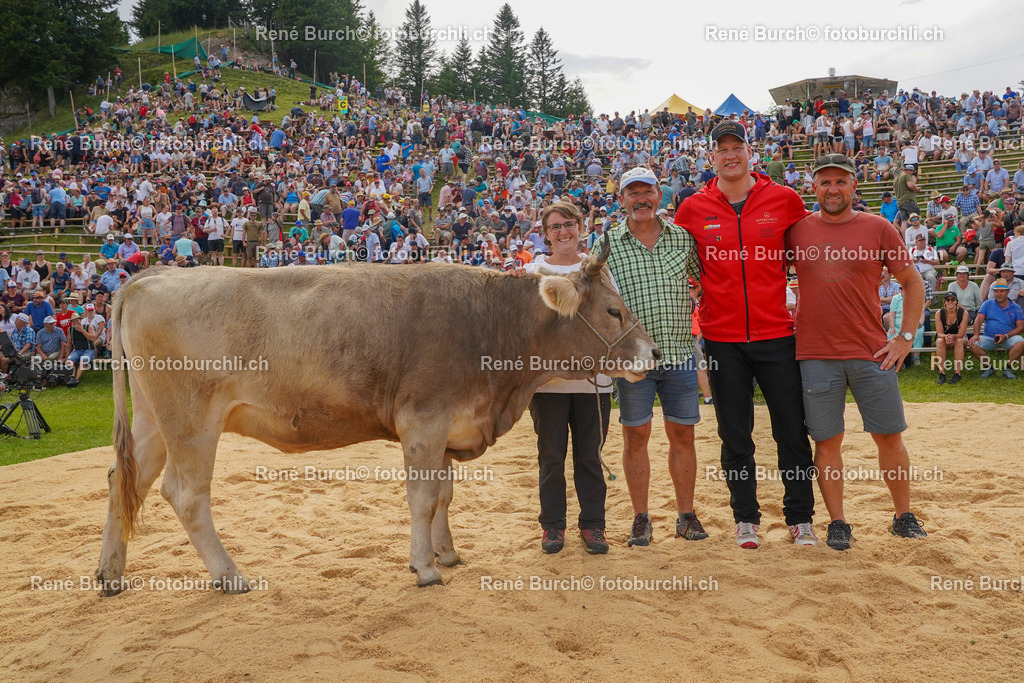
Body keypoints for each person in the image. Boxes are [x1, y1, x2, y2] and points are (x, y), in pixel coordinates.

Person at [675, 120, 816, 549]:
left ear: (749, 152)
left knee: (791, 430)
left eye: (738, 147)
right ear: (711, 156)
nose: (730, 154)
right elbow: (680, 268)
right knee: (734, 434)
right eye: (722, 149)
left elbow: (812, 253)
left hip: (777, 334)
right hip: (722, 339)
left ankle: (801, 518)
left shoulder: (784, 199)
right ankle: (746, 519)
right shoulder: (692, 208)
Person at [786, 153, 928, 551]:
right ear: (813, 187)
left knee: (889, 437)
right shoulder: (795, 231)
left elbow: (912, 284)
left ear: (853, 186)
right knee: (827, 442)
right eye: (825, 182)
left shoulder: (878, 227)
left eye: (841, 182)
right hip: (815, 353)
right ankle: (838, 522)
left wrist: (904, 336)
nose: (833, 189)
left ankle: (903, 516)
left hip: (871, 351)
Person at [603, 166, 708, 547]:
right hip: (633, 362)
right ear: (622, 200)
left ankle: (685, 516)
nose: (641, 199)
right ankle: (641, 518)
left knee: (683, 435)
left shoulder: (682, 239)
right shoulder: (608, 243)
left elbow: (705, 281)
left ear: (659, 196)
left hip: (679, 352)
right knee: (636, 437)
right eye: (633, 193)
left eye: (647, 191)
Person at [514, 202, 614, 554]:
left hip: (594, 382)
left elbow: (609, 317)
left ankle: (593, 526)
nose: (563, 232)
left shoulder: (598, 270)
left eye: (569, 224)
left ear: (580, 227)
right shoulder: (533, 271)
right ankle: (553, 526)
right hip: (549, 385)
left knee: (590, 457)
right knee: (551, 457)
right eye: (555, 227)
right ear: (545, 234)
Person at [969, 279, 1024, 379]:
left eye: (1002, 291)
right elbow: (978, 320)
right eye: (996, 291)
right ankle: (989, 368)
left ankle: (1008, 368)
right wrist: (976, 335)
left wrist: (1006, 336)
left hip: (1009, 337)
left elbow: (1021, 327)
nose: (998, 294)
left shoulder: (1016, 307)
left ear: (1008, 292)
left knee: (1020, 342)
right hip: (989, 337)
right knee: (973, 344)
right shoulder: (987, 304)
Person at [933, 291, 968, 385]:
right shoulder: (939, 313)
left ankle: (957, 373)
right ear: (944, 302)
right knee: (940, 341)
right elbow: (939, 333)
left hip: (959, 337)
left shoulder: (963, 313)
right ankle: (942, 373)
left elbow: (961, 334)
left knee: (959, 341)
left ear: (957, 301)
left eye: (952, 299)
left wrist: (952, 336)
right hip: (944, 338)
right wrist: (947, 337)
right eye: (947, 300)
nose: (950, 302)